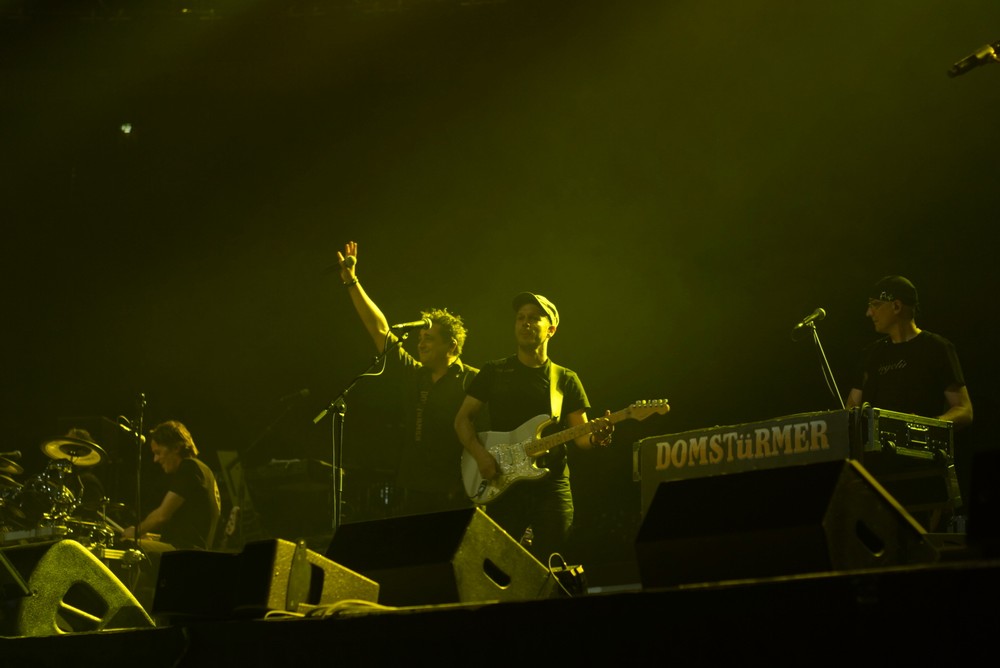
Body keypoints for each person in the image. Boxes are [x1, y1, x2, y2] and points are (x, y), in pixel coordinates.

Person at [454, 291, 613, 565]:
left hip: (551, 486)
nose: (525, 323)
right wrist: (481, 456)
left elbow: (582, 437)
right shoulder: (494, 371)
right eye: (520, 318)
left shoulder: (565, 379)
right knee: (497, 564)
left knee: (552, 562)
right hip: (502, 481)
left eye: (534, 318)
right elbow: (462, 420)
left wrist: (597, 437)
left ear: (551, 329)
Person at [336, 240, 479, 517]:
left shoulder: (473, 380)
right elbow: (379, 329)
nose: (420, 344)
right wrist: (352, 281)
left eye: (429, 338)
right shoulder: (415, 373)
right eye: (420, 338)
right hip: (415, 486)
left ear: (451, 345)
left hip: (459, 489)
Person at [845, 275, 973, 530]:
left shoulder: (936, 348)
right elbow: (851, 410)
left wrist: (926, 426)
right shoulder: (871, 355)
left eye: (874, 304)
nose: (869, 313)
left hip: (922, 471)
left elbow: (964, 410)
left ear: (896, 306)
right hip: (877, 475)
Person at [120, 420, 221, 609]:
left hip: (185, 554)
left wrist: (135, 532)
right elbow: (191, 527)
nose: (155, 459)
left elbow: (162, 515)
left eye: (158, 452)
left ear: (176, 447)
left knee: (127, 549)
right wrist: (153, 537)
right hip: (192, 552)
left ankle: (124, 614)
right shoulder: (204, 470)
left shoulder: (190, 467)